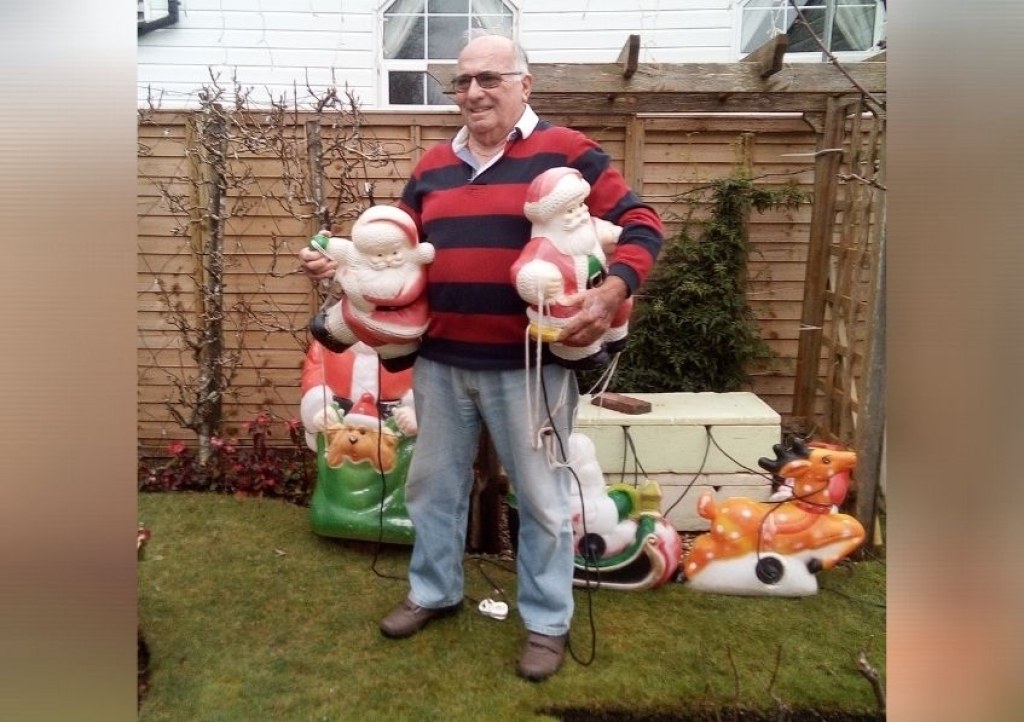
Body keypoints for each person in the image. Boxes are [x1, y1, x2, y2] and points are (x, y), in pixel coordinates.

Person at [298, 33, 663, 682]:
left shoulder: (568, 154)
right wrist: (341, 260)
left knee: (546, 500)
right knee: (431, 486)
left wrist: (612, 291)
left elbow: (642, 224)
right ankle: (434, 591)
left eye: (490, 79)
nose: (473, 92)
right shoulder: (434, 164)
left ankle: (547, 621)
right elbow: (399, 248)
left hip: (532, 369)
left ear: (525, 83)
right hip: (441, 362)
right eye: (463, 82)